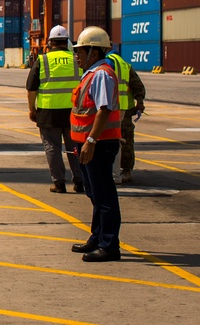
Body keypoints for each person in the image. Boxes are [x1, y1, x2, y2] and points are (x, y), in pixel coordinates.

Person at [69, 26, 122, 262]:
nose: (76, 55)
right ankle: (97, 237)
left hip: (99, 144)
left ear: (94, 51)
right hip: (88, 144)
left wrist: (90, 141)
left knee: (104, 195)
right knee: (94, 192)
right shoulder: (91, 73)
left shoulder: (101, 74)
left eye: (81, 50)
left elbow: (103, 110)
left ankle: (109, 245)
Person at [26, 25, 84, 194]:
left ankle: (59, 183)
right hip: (74, 111)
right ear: (67, 42)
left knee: (52, 147)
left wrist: (32, 109)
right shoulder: (77, 59)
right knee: (75, 147)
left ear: (50, 42)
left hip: (49, 111)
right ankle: (80, 181)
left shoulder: (42, 60)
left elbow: (31, 88)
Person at [107, 51, 146, 183]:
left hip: (110, 109)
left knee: (112, 140)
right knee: (126, 141)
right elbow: (138, 86)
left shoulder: (107, 63)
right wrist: (140, 103)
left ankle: (115, 171)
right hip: (126, 109)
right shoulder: (125, 65)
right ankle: (126, 170)